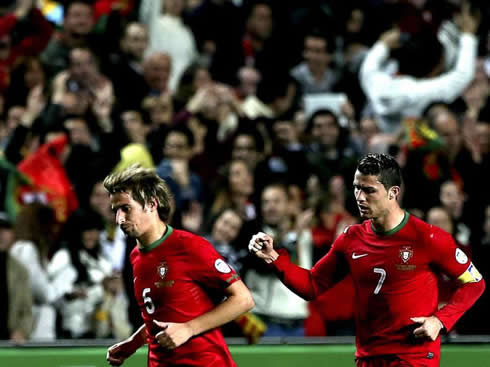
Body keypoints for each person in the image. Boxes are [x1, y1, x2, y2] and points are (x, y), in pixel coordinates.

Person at [249, 153, 485, 366]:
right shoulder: (351, 239)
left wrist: (440, 321)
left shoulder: (428, 237)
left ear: (393, 192)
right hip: (369, 357)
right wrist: (274, 258)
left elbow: (475, 283)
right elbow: (312, 286)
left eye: (369, 190)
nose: (360, 197)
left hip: (413, 356)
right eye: (356, 188)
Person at [105, 165, 254, 367]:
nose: (119, 219)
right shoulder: (135, 257)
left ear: (151, 204)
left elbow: (243, 299)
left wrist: (189, 328)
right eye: (116, 211)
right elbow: (160, 316)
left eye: (126, 208)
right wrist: (133, 343)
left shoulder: (189, 246)